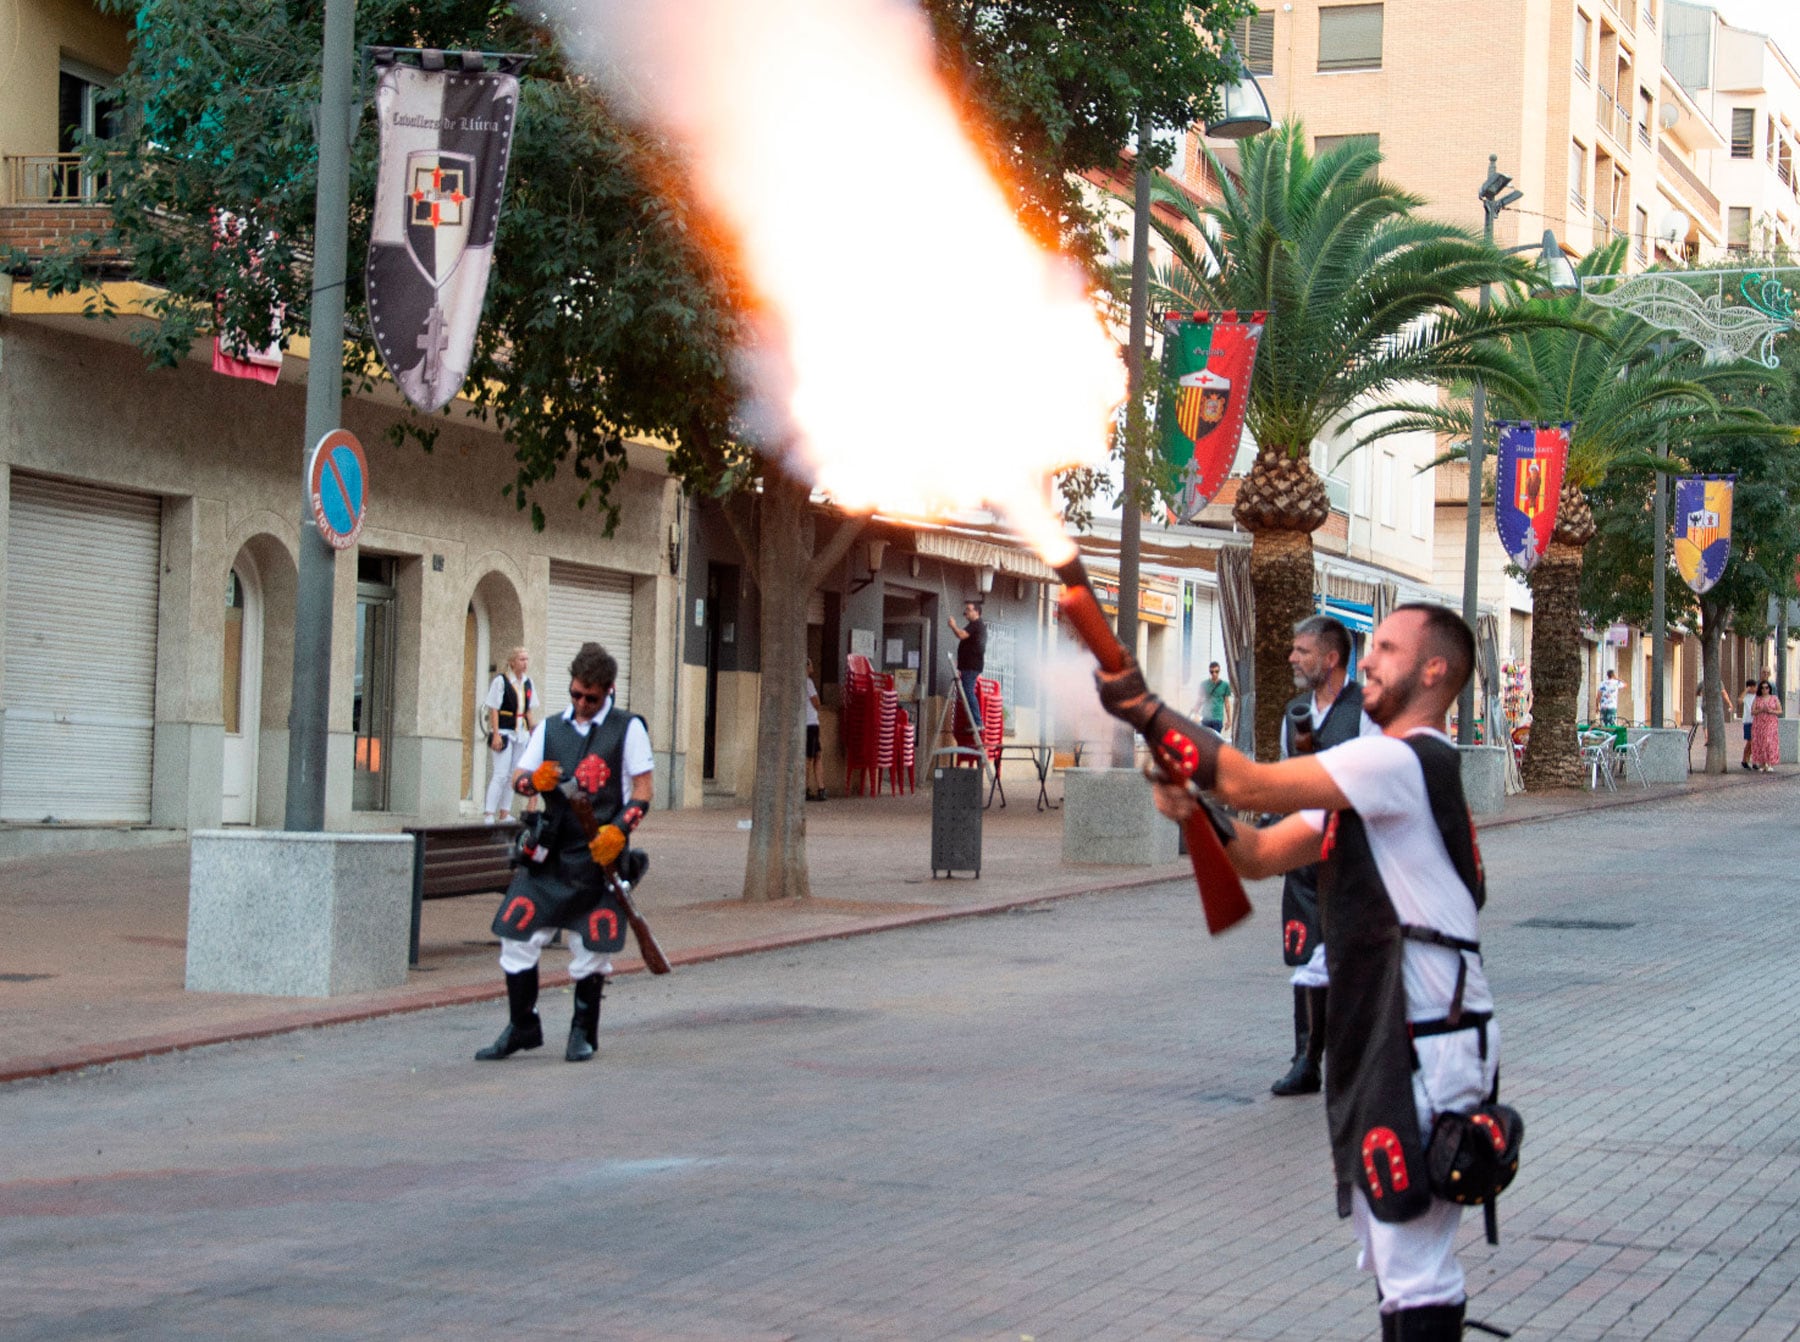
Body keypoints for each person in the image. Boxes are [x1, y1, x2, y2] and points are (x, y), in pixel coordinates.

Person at [1097, 604, 1503, 1340]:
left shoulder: (1400, 761)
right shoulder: (1376, 777)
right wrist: (1196, 813)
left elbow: (1247, 782)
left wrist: (1147, 710)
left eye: (1386, 647)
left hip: (1425, 1039)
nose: (1368, 658)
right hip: (1399, 1035)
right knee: (1394, 1252)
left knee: (1411, 1259)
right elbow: (1254, 855)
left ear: (1433, 670)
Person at [475, 641, 654, 1064]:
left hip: (599, 857)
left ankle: (582, 1032)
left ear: (608, 690)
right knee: (515, 934)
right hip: (550, 854)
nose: (582, 703)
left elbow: (643, 791)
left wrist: (619, 830)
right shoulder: (550, 729)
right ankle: (523, 1026)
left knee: (591, 948)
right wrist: (532, 781)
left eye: (591, 697)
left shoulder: (628, 729)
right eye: (576, 694)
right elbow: (520, 779)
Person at [1271, 614, 1382, 1098]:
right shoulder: (1294, 713)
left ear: (1332, 658)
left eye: (1303, 651)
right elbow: (1282, 781)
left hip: (1352, 858)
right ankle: (1305, 1060)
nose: (1293, 658)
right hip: (1303, 861)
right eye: (1294, 650)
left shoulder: (1367, 713)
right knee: (1306, 957)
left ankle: (1356, 1058)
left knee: (1352, 960)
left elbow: (1376, 785)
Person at [480, 647, 536, 823]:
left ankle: (505, 812)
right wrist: (495, 733)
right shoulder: (501, 681)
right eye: (521, 659)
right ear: (512, 662)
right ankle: (489, 813)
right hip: (504, 730)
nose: (525, 663)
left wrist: (533, 730)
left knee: (514, 773)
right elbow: (494, 709)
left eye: (526, 659)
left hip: (521, 732)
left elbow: (528, 710)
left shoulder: (528, 683)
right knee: (501, 773)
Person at [946, 599, 987, 737]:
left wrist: (953, 625)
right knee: (965, 693)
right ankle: (972, 721)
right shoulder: (974, 626)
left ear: (977, 612)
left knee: (968, 692)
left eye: (969, 609)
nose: (966, 612)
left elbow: (961, 634)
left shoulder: (976, 625)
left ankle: (977, 721)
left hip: (971, 667)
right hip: (967, 666)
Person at [1193, 661, 1234, 737]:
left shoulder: (1225, 685)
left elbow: (1227, 703)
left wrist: (1229, 720)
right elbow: (1199, 700)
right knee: (1205, 740)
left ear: (1219, 671)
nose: (1214, 674)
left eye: (1216, 671)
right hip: (1206, 717)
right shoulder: (1204, 684)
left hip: (1217, 718)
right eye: (1212, 672)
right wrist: (1195, 714)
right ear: (1209, 672)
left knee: (1215, 740)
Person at [805, 657, 826, 801]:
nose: (813, 667)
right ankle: (806, 788)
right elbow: (816, 702)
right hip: (810, 723)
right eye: (810, 664)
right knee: (810, 757)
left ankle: (821, 787)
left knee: (817, 755)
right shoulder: (808, 682)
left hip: (810, 722)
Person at [1750, 679, 1782, 772]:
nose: (1765, 690)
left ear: (1769, 689)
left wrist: (1771, 711)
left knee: (1769, 742)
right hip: (1759, 724)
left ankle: (1770, 762)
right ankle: (1762, 763)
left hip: (1771, 723)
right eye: (1763, 688)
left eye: (1767, 688)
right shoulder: (1757, 699)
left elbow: (1780, 711)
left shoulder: (1774, 698)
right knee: (1761, 742)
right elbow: (1752, 711)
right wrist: (1761, 710)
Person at [1742, 679, 1760, 770]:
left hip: (1756, 722)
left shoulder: (1757, 697)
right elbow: (1739, 700)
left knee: (1755, 743)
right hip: (1748, 721)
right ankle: (1744, 760)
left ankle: (1752, 761)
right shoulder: (1746, 696)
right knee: (1750, 742)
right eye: (1754, 687)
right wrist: (1746, 690)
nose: (1756, 689)